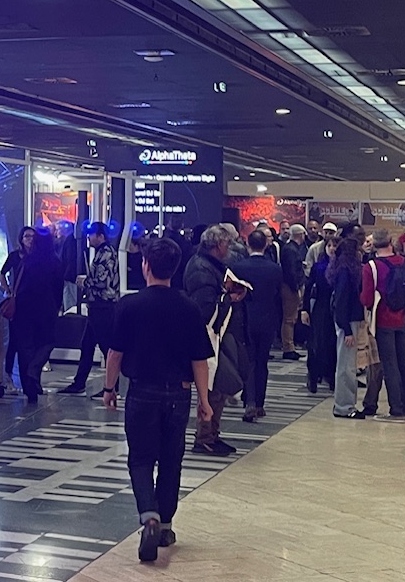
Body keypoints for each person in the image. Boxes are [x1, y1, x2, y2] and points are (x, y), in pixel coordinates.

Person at [103, 238, 214, 563]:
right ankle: (165, 526)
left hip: (141, 391)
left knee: (140, 459)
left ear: (146, 265)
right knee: (170, 460)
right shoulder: (188, 306)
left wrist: (110, 389)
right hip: (178, 393)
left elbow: (115, 354)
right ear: (176, 268)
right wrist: (204, 401)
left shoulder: (130, 305)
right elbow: (200, 361)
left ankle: (148, 516)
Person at [184, 224, 238, 456]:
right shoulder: (201, 269)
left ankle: (212, 435)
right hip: (206, 336)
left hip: (215, 334)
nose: (229, 248)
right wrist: (228, 298)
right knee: (210, 388)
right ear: (217, 245)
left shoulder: (209, 265)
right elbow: (204, 309)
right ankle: (205, 437)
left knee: (219, 387)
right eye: (226, 244)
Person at [230, 229, 283, 422]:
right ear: (266, 245)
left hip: (245, 319)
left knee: (248, 361)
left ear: (247, 244)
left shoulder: (238, 267)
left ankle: (249, 401)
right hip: (268, 319)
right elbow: (279, 296)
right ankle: (259, 403)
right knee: (262, 362)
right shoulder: (275, 268)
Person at [361, 229, 405, 421]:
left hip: (383, 320)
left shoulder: (371, 267)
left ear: (374, 244)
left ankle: (396, 410)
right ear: (391, 242)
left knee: (389, 365)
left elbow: (366, 299)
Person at [7, 227, 64, 403]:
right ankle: (35, 369)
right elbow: (58, 288)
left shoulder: (28, 261)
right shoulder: (55, 261)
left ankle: (29, 389)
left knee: (25, 348)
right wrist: (57, 306)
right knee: (47, 343)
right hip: (46, 309)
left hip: (23, 309)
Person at [66, 221, 119, 396]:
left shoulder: (105, 254)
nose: (89, 238)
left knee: (105, 346)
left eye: (92, 235)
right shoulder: (105, 253)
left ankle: (112, 386)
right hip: (99, 306)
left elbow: (103, 282)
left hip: (102, 306)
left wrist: (85, 282)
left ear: (100, 236)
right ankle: (80, 382)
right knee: (88, 345)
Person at [328, 232, 367, 419]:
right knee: (346, 366)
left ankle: (346, 404)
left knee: (348, 364)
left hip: (347, 321)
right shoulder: (346, 272)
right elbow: (342, 302)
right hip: (347, 322)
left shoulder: (343, 270)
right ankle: (344, 406)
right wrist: (347, 329)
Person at [0, 226, 36, 383]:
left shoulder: (37, 257)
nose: (30, 239)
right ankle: (8, 374)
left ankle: (29, 376)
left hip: (33, 302)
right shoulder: (15, 256)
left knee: (31, 340)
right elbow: (3, 272)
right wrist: (8, 290)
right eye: (27, 236)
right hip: (18, 301)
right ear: (21, 239)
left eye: (32, 236)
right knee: (14, 340)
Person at [303, 237, 337, 393]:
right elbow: (309, 288)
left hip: (336, 309)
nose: (331, 248)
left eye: (334, 246)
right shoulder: (318, 266)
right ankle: (313, 375)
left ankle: (331, 376)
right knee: (317, 343)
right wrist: (304, 309)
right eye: (329, 245)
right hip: (321, 307)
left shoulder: (342, 266)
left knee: (332, 344)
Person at [278, 224, 307, 361]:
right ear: (299, 234)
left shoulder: (289, 248)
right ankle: (288, 347)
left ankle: (290, 346)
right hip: (290, 287)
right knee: (289, 318)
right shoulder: (291, 250)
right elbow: (291, 271)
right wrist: (296, 288)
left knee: (291, 317)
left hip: (290, 286)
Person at [57, 220, 81, 312]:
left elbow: (70, 259)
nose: (57, 232)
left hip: (69, 278)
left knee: (70, 303)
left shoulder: (70, 241)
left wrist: (66, 276)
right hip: (68, 277)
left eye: (59, 229)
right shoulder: (64, 242)